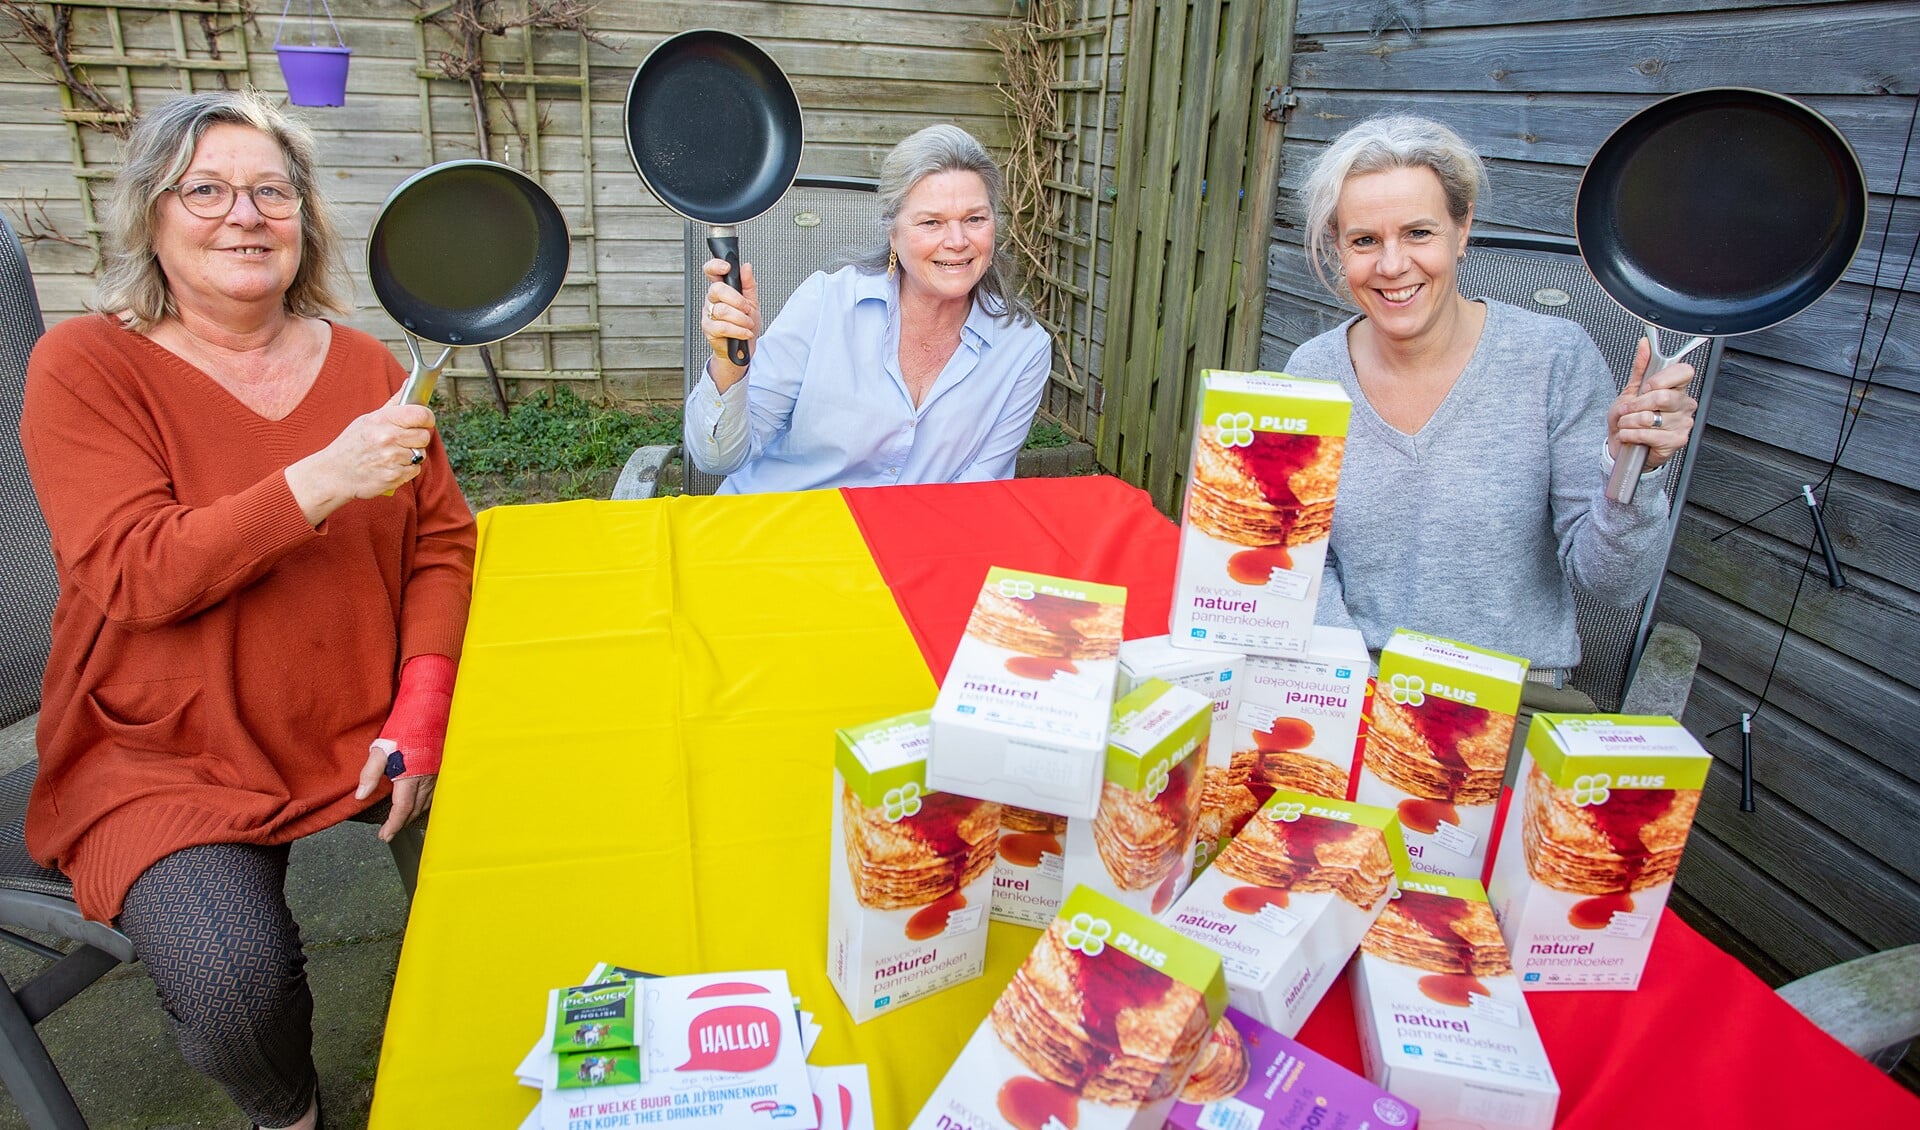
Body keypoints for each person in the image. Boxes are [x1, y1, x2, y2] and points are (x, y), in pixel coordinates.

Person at [19, 90, 474, 1130]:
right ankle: (291, 1108)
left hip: (357, 715)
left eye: (272, 190)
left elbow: (441, 544)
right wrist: (321, 478)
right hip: (166, 747)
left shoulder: (364, 365)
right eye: (208, 189)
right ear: (152, 215)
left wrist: (423, 703)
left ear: (304, 219)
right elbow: (136, 571)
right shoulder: (86, 366)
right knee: (232, 978)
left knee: (545, 827)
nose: (244, 214)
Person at [1285, 115, 1697, 708]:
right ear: (1339, 247)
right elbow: (1303, 557)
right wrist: (1351, 688)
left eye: (1419, 233)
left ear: (1463, 227)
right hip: (1353, 686)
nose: (1392, 265)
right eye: (1365, 240)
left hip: (1512, 699)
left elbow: (1615, 584)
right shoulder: (1312, 372)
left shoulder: (1554, 359)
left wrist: (1633, 471)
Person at [685, 124, 1052, 492]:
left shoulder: (1023, 350)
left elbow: (977, 492)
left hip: (906, 543)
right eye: (931, 222)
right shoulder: (824, 304)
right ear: (893, 233)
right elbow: (718, 459)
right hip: (777, 529)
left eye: (975, 219)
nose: (957, 241)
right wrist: (731, 366)